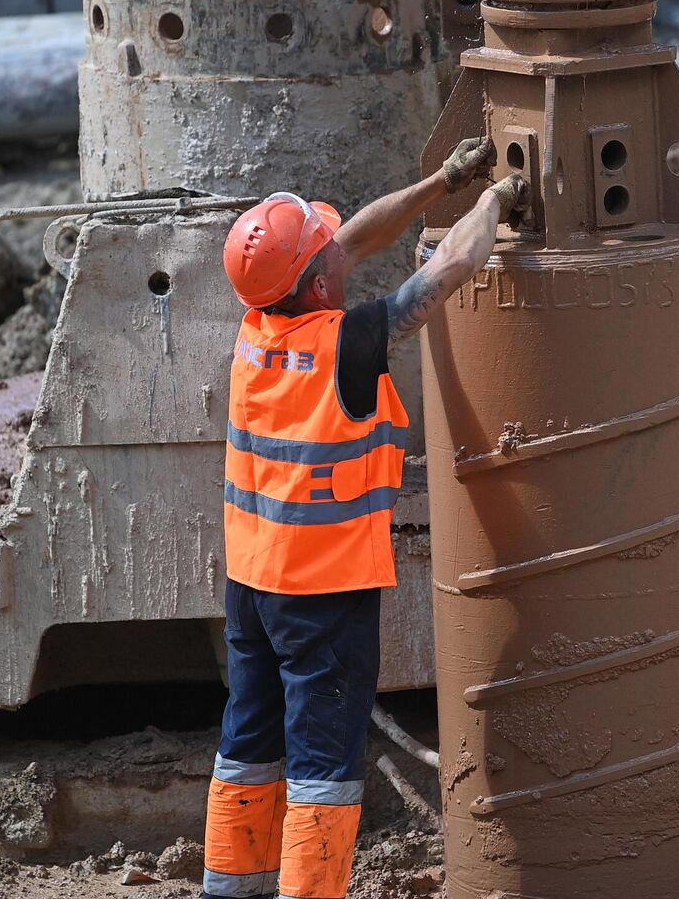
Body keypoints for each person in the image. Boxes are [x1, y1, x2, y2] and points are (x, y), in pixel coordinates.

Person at [203, 137, 524, 899]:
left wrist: (440, 183)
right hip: (323, 592)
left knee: (248, 740)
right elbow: (444, 275)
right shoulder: (345, 344)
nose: (338, 247)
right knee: (323, 764)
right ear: (317, 285)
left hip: (252, 584)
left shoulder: (259, 324)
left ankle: (230, 888)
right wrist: (493, 202)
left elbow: (353, 240)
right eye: (324, 250)